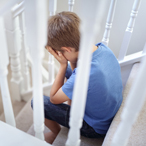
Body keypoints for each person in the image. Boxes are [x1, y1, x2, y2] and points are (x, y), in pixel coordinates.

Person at [31, 11, 123, 144]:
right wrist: (70, 61)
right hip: (107, 111)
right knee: (70, 71)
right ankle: (71, 97)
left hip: (95, 127)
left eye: (58, 53)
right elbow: (77, 71)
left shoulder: (86, 73)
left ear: (67, 49)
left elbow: (54, 99)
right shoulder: (103, 49)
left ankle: (56, 133)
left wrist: (63, 65)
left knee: (38, 102)